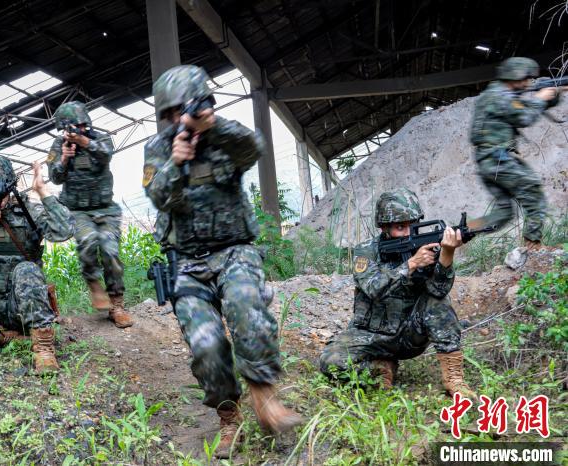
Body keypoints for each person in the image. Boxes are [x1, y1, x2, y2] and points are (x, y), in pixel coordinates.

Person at [143, 65, 302, 457]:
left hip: (234, 251)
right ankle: (229, 418)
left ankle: (265, 397)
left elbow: (255, 147)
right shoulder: (158, 150)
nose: (180, 118)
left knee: (246, 306)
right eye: (172, 112)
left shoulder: (225, 138)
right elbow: (158, 196)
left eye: (187, 109)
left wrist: (214, 125)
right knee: (206, 347)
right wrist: (175, 163)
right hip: (188, 263)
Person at [319, 188, 476, 400]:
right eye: (401, 227)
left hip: (410, 333)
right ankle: (378, 369)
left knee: (437, 302)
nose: (408, 233)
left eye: (413, 225)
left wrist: (447, 254)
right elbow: (374, 288)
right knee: (332, 362)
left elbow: (438, 291)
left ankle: (454, 380)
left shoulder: (426, 247)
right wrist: (410, 264)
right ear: (384, 227)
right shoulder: (366, 252)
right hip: (371, 335)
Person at [0, 153, 74, 373]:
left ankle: (43, 348)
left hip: (21, 304)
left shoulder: (28, 212)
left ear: (8, 186)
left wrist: (43, 192)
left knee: (27, 269)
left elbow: (64, 230)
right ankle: (8, 338)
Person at [46, 101, 132, 328]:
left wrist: (84, 142)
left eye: (82, 125)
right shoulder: (58, 145)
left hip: (105, 208)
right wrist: (64, 158)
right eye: (73, 127)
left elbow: (106, 155)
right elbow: (55, 178)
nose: (78, 130)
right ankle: (94, 282)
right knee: (86, 241)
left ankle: (117, 304)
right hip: (78, 210)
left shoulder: (100, 139)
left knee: (110, 250)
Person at [469, 56, 559, 250]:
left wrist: (551, 95)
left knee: (503, 212)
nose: (528, 82)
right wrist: (539, 98)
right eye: (525, 78)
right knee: (533, 193)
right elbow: (523, 117)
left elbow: (521, 108)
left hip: (489, 161)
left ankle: (463, 231)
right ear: (514, 76)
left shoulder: (497, 94)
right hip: (497, 159)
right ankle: (532, 246)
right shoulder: (499, 96)